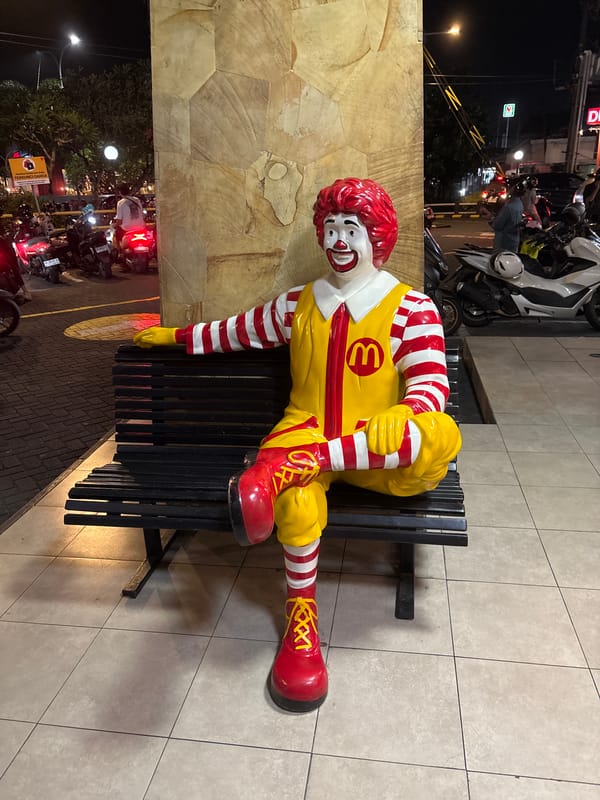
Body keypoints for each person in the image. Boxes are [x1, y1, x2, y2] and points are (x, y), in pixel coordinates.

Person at [133, 178, 462, 713]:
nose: (338, 240)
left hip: (376, 447)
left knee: (439, 433)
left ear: (377, 237)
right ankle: (300, 621)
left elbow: (430, 385)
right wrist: (177, 336)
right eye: (330, 228)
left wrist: (408, 411)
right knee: (297, 500)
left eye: (351, 228)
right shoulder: (299, 304)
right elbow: (235, 331)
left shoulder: (412, 308)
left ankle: (280, 472)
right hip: (304, 429)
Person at [491, 180, 525, 251]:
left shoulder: (509, 206)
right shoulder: (519, 204)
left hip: (504, 241)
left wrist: (492, 219)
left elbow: (498, 225)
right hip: (514, 239)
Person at [112, 183, 144, 253]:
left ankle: (120, 253)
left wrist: (114, 225)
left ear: (120, 192)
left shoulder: (120, 203)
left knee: (115, 234)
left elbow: (119, 221)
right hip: (141, 227)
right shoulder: (137, 200)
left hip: (128, 229)